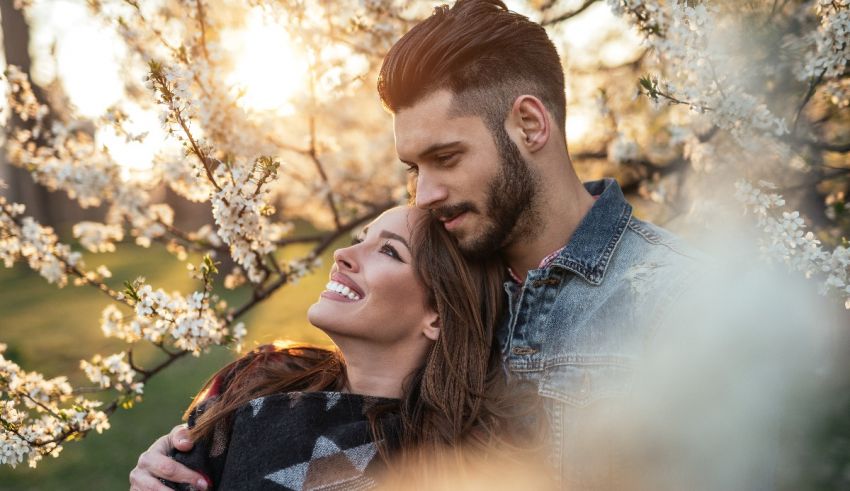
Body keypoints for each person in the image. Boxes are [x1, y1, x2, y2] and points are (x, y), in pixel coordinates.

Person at [133, 0, 702, 488]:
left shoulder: (675, 302)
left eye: (446, 158)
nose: (425, 194)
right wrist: (201, 447)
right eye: (413, 168)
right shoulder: (450, 272)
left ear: (530, 125)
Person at [131, 206, 541, 491]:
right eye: (360, 238)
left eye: (388, 250)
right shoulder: (263, 372)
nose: (343, 255)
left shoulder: (443, 463)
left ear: (437, 315)